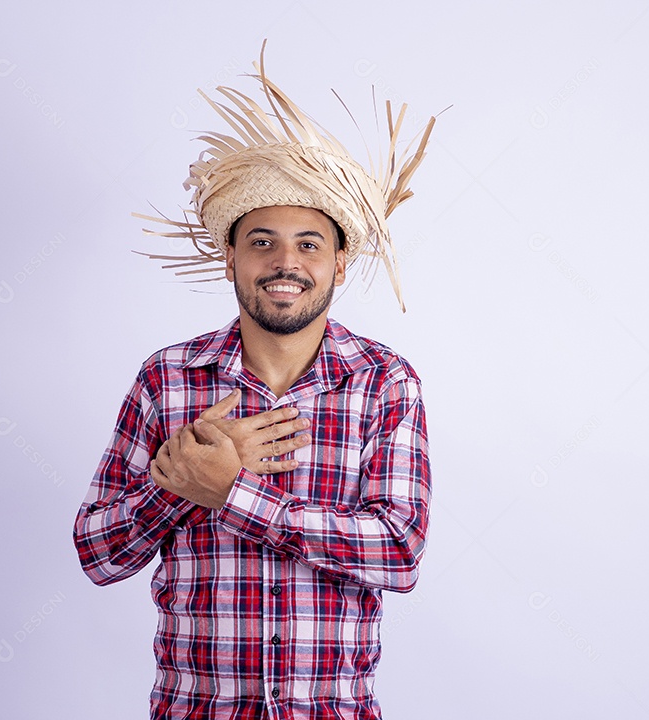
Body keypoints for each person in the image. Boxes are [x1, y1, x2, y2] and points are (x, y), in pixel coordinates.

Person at [73, 44, 436, 720]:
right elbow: (99, 552)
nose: (285, 262)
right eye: (262, 241)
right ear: (231, 256)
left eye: (309, 243)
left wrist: (229, 492)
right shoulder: (169, 378)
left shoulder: (384, 383)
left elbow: (399, 552)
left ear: (338, 264)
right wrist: (174, 486)